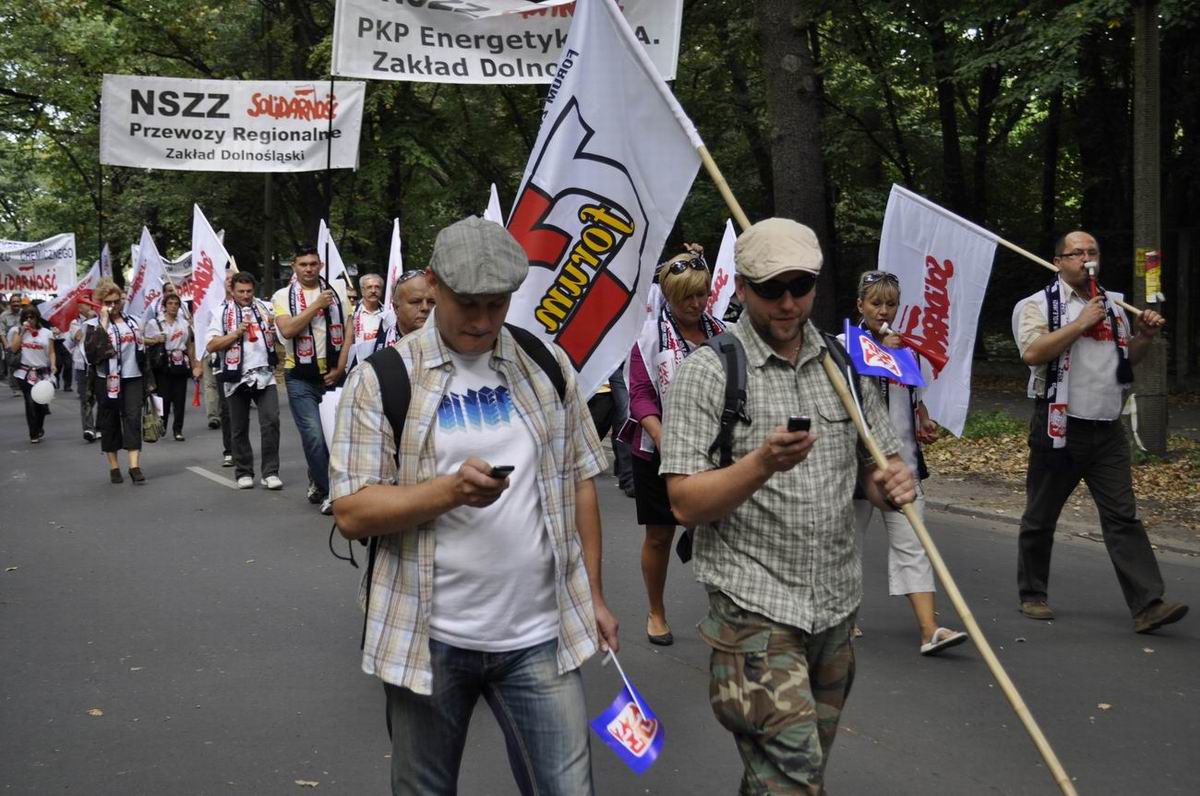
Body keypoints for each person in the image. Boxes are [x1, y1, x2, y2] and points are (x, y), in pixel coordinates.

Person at [330, 216, 619, 796]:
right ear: (434, 284)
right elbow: (353, 511)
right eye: (468, 304)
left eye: (497, 304)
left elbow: (579, 481)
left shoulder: (544, 363)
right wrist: (450, 491)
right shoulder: (382, 378)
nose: (483, 321)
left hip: (539, 635)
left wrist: (593, 593)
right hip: (429, 637)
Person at [659, 218, 915, 794]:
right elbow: (683, 503)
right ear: (742, 288)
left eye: (800, 286)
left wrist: (891, 484)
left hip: (835, 605)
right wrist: (761, 464)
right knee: (794, 778)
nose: (788, 302)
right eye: (771, 288)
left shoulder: (842, 363)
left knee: (787, 774)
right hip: (753, 608)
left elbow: (878, 469)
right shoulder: (709, 371)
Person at [1013, 230, 1186, 633]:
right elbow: (1032, 353)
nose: (1086, 258)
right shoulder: (1037, 305)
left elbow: (1127, 361)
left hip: (1107, 428)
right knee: (1041, 515)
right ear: (1058, 261)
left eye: (1092, 252)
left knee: (1123, 517)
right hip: (1060, 425)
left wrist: (1144, 336)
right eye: (1076, 253)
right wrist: (1079, 323)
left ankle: (1148, 604)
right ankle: (1033, 593)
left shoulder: (1113, 304)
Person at [845, 270, 967, 655]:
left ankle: (929, 630)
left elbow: (911, 394)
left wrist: (923, 419)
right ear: (860, 305)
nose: (884, 311)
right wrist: (882, 351)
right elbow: (851, 390)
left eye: (891, 304)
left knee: (915, 544)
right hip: (857, 467)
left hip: (903, 463)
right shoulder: (844, 344)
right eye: (875, 303)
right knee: (846, 545)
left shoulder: (906, 347)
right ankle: (841, 618)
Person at [623, 247, 725, 646]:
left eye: (701, 295)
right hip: (658, 450)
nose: (696, 304)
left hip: (714, 451)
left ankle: (726, 611)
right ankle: (656, 610)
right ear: (668, 296)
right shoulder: (649, 338)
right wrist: (666, 439)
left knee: (721, 534)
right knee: (660, 535)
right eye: (687, 297)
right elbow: (640, 397)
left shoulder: (725, 334)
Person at [273, 247, 351, 514]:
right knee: (314, 436)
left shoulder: (337, 291)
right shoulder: (282, 296)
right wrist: (316, 305)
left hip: (333, 374)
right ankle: (330, 492)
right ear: (294, 266)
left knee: (336, 437)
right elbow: (288, 329)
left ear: (321, 265)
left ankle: (319, 480)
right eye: (303, 264)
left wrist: (341, 366)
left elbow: (349, 330)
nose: (308, 269)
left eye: (313, 264)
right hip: (300, 376)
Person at [207, 272, 282, 490]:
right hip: (235, 376)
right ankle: (244, 471)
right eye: (241, 291)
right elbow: (211, 345)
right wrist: (234, 334)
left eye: (249, 291)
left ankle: (270, 472)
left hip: (265, 374)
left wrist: (275, 329)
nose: (246, 295)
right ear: (232, 291)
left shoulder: (266, 308)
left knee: (271, 421)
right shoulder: (221, 313)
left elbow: (283, 335)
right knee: (238, 426)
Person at [84, 279, 152, 484]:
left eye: (116, 301)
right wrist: (104, 323)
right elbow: (92, 354)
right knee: (109, 421)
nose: (113, 306)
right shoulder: (92, 325)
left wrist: (148, 379)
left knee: (133, 418)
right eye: (108, 302)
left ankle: (134, 466)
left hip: (133, 377)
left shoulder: (133, 322)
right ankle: (114, 466)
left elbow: (142, 351)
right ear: (101, 303)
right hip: (107, 379)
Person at [144, 293, 201, 441]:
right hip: (163, 363)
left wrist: (194, 364)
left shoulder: (183, 323)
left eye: (176, 304)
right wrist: (156, 339)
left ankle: (178, 429)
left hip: (180, 361)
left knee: (179, 398)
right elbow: (145, 342)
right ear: (164, 306)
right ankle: (161, 424)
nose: (173, 306)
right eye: (170, 303)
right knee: (163, 397)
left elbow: (189, 345)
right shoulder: (155, 323)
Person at [8, 307, 56, 443]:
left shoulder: (47, 333)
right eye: (26, 317)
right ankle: (33, 433)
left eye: (31, 317)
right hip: (25, 372)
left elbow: (51, 352)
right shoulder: (18, 331)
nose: (29, 320)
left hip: (42, 372)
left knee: (41, 402)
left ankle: (39, 427)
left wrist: (53, 364)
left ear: (37, 318)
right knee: (30, 402)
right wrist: (22, 332)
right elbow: (14, 348)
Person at [203, 271, 236, 466]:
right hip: (223, 365)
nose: (230, 281)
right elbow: (209, 338)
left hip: (247, 365)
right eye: (227, 279)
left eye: (233, 278)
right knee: (227, 408)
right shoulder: (216, 309)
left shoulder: (252, 306)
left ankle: (241, 446)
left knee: (240, 410)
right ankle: (230, 450)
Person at [338, 272, 388, 372]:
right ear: (362, 290)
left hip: (379, 365)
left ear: (381, 290)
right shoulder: (351, 313)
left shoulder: (388, 315)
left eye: (377, 287)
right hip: (355, 366)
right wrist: (340, 369)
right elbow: (346, 343)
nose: (373, 291)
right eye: (369, 287)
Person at [67, 300, 98, 441]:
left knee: (100, 397)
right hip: (82, 364)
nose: (82, 305)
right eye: (80, 303)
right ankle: (88, 428)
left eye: (86, 301)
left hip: (97, 363)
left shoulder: (100, 320)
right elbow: (78, 336)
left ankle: (100, 427)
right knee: (86, 398)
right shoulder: (75, 322)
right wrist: (89, 321)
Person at [382, 269, 436, 346]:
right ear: (396, 308)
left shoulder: (452, 345)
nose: (425, 308)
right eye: (416, 302)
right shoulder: (371, 348)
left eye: (432, 302)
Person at [2, 294, 25, 396]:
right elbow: (1, 331)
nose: (16, 303)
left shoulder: (24, 314)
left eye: (18, 301)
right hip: (10, 345)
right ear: (10, 304)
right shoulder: (4, 316)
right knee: (13, 366)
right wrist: (6, 344)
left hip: (24, 344)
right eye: (13, 302)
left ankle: (24, 385)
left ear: (21, 303)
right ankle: (15, 388)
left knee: (24, 365)